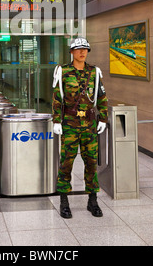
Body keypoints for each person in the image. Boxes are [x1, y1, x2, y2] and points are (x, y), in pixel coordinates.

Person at [52, 37, 108, 218]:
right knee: (66, 163)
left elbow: (101, 97)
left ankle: (93, 201)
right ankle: (64, 201)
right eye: (78, 49)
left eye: (85, 49)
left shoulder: (94, 71)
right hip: (69, 124)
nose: (82, 52)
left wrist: (103, 119)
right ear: (72, 52)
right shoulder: (63, 71)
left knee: (91, 162)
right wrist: (56, 121)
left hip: (89, 125)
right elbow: (57, 98)